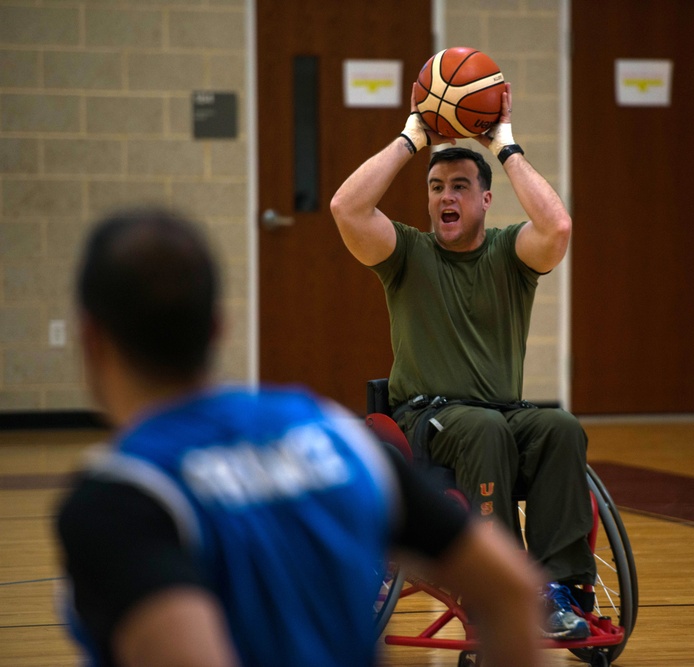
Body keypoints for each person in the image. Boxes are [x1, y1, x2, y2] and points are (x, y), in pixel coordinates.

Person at [54, 208, 545, 667]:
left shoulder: (122, 497)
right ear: (217, 328)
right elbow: (512, 592)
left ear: (92, 340)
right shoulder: (332, 434)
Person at [330, 82, 597, 640]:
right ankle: (498, 589)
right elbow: (345, 207)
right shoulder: (406, 253)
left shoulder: (509, 252)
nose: (444, 197)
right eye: (435, 187)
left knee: (559, 427)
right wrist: (412, 137)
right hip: (426, 421)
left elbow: (559, 227)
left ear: (484, 200)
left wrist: (504, 144)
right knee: (482, 429)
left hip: (500, 415)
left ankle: (561, 589)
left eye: (458, 187)